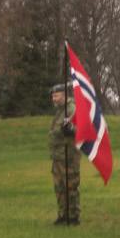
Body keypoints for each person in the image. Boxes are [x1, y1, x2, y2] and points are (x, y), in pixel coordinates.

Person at [49, 84, 81, 226]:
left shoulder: (71, 109)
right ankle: (62, 214)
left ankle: (73, 216)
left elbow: (79, 127)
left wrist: (71, 130)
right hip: (58, 155)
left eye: (56, 96)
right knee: (59, 186)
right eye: (53, 96)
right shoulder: (60, 111)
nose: (53, 99)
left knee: (70, 185)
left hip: (68, 155)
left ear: (64, 95)